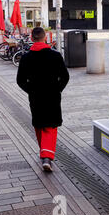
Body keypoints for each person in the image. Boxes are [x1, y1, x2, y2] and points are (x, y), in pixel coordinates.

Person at [16, 27, 69, 172]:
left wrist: (31, 90)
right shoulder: (55, 56)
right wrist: (57, 89)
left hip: (35, 96)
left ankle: (44, 154)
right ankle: (46, 157)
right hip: (52, 96)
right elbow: (65, 76)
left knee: (39, 124)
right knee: (50, 126)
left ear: (32, 38)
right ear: (45, 37)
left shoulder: (26, 57)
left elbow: (20, 80)